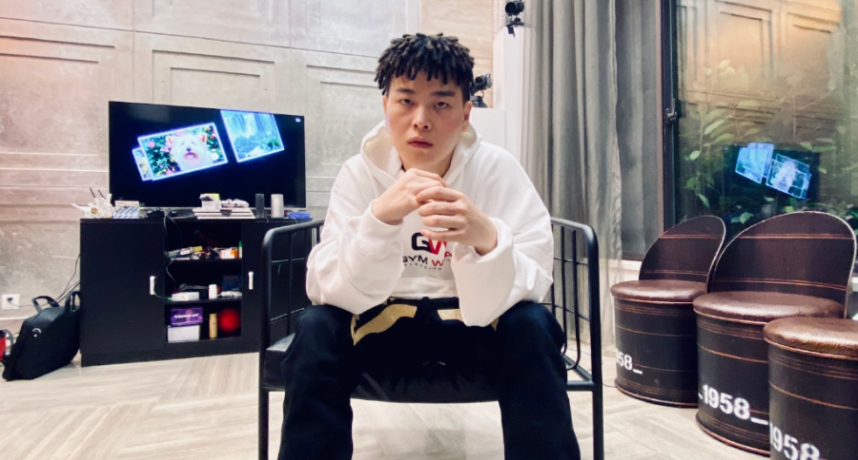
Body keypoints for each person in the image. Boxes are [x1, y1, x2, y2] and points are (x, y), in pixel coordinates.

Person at [278, 33, 580, 460]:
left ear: (465, 114)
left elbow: (536, 272)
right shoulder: (359, 173)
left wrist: (488, 238)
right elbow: (324, 285)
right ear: (385, 106)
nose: (421, 120)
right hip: (382, 328)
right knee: (315, 328)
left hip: (476, 330)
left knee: (533, 325)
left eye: (441, 104)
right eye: (406, 101)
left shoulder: (497, 169)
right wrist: (379, 219)